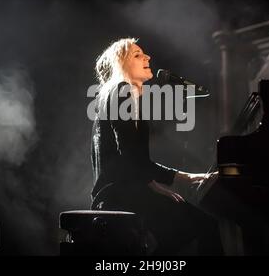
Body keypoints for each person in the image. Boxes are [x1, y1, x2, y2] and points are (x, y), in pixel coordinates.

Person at [90, 37, 222, 255]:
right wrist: (188, 177)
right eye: (137, 54)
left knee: (178, 235)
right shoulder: (122, 91)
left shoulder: (115, 95)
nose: (147, 57)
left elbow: (129, 160)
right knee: (206, 225)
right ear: (120, 64)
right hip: (121, 195)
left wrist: (152, 184)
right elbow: (132, 157)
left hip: (116, 191)